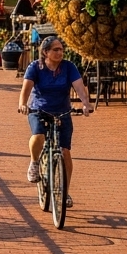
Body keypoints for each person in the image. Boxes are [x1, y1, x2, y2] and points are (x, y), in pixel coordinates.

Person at [16, 36, 93, 207]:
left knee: (65, 151)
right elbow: (26, 88)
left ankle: (64, 192)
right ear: (45, 52)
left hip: (63, 111)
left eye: (61, 49)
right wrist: (22, 104)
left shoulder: (68, 67)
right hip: (39, 110)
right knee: (39, 135)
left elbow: (79, 86)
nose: (60, 52)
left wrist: (86, 104)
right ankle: (35, 162)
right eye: (56, 49)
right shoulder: (35, 67)